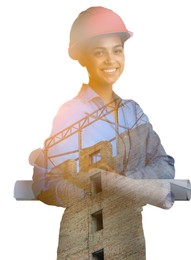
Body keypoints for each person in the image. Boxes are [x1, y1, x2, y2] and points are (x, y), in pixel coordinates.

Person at [32, 6, 175, 207]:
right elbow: (44, 183)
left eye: (117, 50)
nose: (111, 60)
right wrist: (89, 192)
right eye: (99, 52)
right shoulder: (71, 115)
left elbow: (165, 166)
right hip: (87, 231)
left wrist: (119, 180)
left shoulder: (133, 113)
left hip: (130, 231)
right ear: (82, 57)